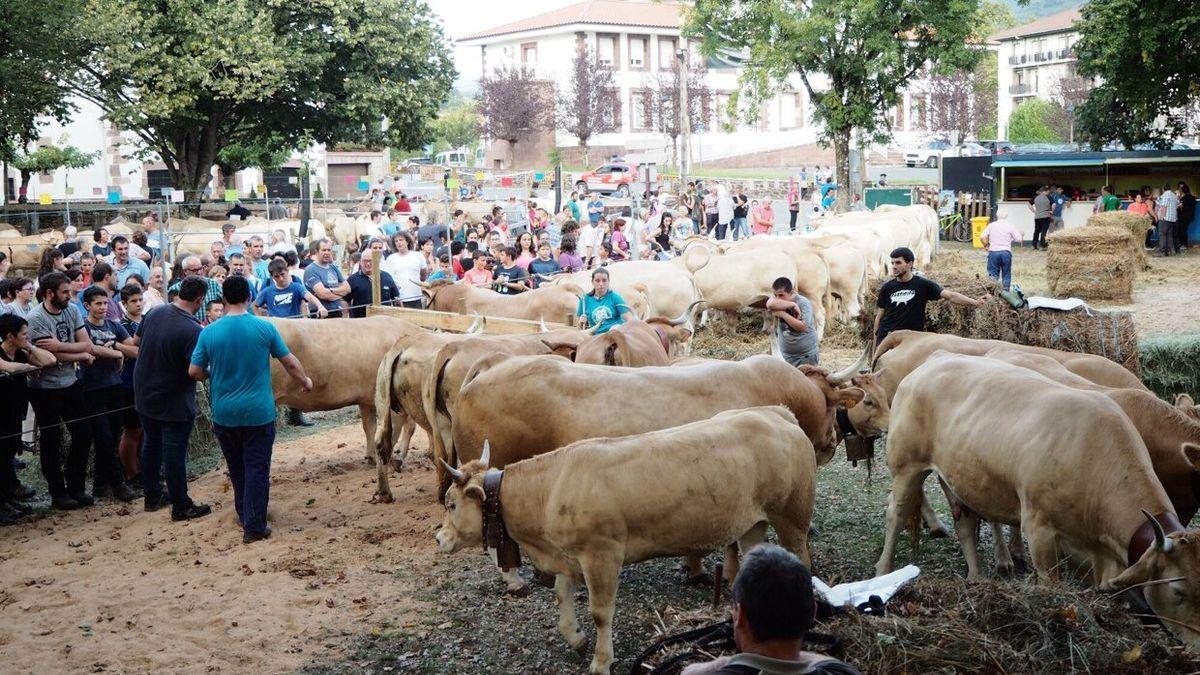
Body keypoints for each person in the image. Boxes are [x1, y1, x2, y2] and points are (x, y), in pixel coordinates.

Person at [189, 276, 312, 544]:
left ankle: (244, 514)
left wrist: (214, 372)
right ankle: (254, 525)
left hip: (224, 413)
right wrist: (305, 381)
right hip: (259, 411)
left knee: (237, 467)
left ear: (223, 299)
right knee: (257, 466)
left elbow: (194, 371)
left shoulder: (209, 331)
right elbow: (289, 362)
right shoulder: (263, 328)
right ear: (248, 297)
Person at [684, 544, 861, 675]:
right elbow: (831, 663)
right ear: (813, 614)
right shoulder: (842, 672)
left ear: (740, 618)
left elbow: (689, 673)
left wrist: (728, 662)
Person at [134, 276, 212, 519]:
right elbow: (195, 372)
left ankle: (153, 495)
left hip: (144, 391)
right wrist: (213, 374)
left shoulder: (155, 312)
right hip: (172, 396)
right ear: (200, 300)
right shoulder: (192, 329)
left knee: (151, 444)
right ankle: (181, 505)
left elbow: (136, 341)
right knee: (174, 452)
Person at [27, 272, 100, 510]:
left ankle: (76, 486)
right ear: (49, 293)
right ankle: (58, 493)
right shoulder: (36, 317)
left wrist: (62, 346)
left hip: (71, 381)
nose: (70, 296)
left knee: (83, 433)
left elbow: (87, 343)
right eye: (64, 292)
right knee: (51, 440)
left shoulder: (72, 310)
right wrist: (78, 353)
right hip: (45, 388)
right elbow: (50, 356)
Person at [79, 287, 138, 502]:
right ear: (87, 306)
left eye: (105, 303)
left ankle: (99, 484)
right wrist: (115, 352)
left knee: (112, 436)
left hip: (115, 385)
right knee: (102, 437)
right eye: (98, 304)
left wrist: (116, 346)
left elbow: (134, 348)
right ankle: (118, 483)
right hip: (92, 388)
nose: (103, 308)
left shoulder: (114, 325)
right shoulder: (83, 327)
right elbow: (89, 350)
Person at [873, 247, 985, 352]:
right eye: (892, 263)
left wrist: (975, 302)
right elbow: (879, 318)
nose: (894, 266)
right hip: (888, 337)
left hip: (911, 340)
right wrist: (875, 347)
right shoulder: (887, 287)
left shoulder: (923, 285)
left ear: (909, 264)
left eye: (898, 262)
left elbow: (951, 296)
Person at [0, 314, 56, 523]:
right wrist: (29, 368)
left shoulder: (22, 352)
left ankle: (8, 497)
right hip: (0, 414)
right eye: (24, 335)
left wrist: (30, 348)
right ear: (10, 336)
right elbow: (7, 367)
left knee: (7, 457)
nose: (27, 337)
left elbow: (50, 360)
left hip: (14, 413)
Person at [117, 284, 145, 488]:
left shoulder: (146, 321)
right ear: (124, 304)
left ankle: (143, 469)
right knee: (131, 430)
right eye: (133, 301)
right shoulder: (121, 326)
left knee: (144, 430)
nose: (138, 304)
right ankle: (131, 473)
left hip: (146, 382)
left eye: (140, 300)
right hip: (128, 382)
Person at [766, 278, 818, 367]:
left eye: (781, 295)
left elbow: (803, 327)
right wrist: (792, 305)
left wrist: (783, 314)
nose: (778, 298)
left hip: (805, 357)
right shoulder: (777, 302)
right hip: (786, 357)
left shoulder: (803, 303)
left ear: (791, 292)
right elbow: (769, 304)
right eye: (775, 295)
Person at [256, 258, 326, 319]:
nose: (280, 279)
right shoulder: (267, 291)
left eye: (282, 274)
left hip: (294, 327)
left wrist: (320, 306)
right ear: (272, 276)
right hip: (276, 328)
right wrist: (260, 319)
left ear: (287, 271)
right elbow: (254, 306)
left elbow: (309, 296)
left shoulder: (296, 287)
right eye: (276, 276)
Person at [575, 267, 633, 335]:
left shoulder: (615, 297)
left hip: (615, 334)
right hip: (594, 336)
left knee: (615, 329)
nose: (601, 284)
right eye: (597, 280)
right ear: (592, 282)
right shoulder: (585, 300)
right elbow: (578, 326)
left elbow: (629, 318)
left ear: (608, 282)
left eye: (604, 280)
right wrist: (581, 322)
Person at [303, 239, 350, 317]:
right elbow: (323, 294)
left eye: (329, 250)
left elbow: (348, 288)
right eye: (324, 250)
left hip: (337, 311)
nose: (327, 253)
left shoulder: (333, 267)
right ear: (317, 252)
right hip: (321, 314)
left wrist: (331, 291)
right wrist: (340, 294)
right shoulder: (311, 269)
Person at [347, 248, 399, 317]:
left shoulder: (387, 277)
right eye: (365, 261)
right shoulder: (352, 279)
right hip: (361, 322)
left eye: (370, 261)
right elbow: (345, 300)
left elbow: (396, 299)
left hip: (384, 321)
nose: (368, 264)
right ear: (360, 262)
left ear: (376, 261)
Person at [382, 232, 426, 309]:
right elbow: (389, 279)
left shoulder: (418, 255)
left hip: (416, 297)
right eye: (396, 241)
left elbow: (423, 273)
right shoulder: (390, 259)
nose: (399, 242)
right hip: (399, 299)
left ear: (407, 241)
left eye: (401, 240)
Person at [979, 213, 1023, 291]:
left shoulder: (991, 225)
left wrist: (986, 246)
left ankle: (992, 291)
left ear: (996, 216)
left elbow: (982, 236)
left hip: (993, 252)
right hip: (1006, 252)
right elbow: (1019, 239)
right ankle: (1006, 291)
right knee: (1006, 273)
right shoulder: (1010, 226)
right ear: (1006, 216)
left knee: (993, 274)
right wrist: (1021, 234)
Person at [1156, 183, 1179, 257]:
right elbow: (1177, 205)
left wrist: (1162, 217)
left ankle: (1162, 252)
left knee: (1162, 234)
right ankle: (1170, 251)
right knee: (1169, 235)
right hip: (1173, 219)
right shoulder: (1174, 195)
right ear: (1170, 188)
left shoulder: (1165, 195)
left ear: (1163, 189)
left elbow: (1164, 206)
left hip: (1166, 218)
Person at [1028, 186, 1052, 251]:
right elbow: (1054, 204)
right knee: (1043, 231)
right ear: (1046, 191)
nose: (1049, 193)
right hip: (1045, 216)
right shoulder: (1048, 197)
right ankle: (1042, 246)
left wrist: (1034, 211)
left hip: (1037, 216)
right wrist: (1051, 211)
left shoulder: (1035, 197)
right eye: (1048, 192)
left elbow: (1028, 203)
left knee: (1036, 231)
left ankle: (1034, 245)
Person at [1177, 182, 1195, 252]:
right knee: (1184, 230)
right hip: (1190, 217)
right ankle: (1184, 244)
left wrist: (1179, 207)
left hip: (1183, 217)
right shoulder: (1193, 198)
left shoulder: (1183, 198)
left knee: (1182, 230)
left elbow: (1181, 208)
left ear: (1183, 190)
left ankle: (1183, 244)